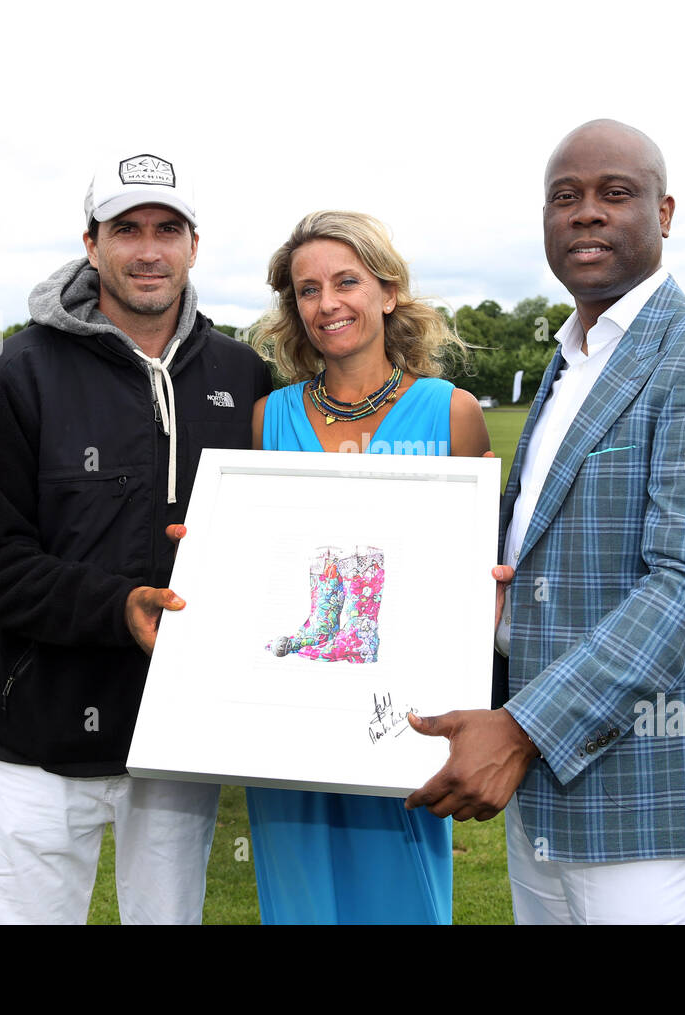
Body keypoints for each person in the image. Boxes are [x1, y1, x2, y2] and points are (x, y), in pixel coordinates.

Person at [406, 119, 685, 924]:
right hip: (546, 773)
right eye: (564, 197)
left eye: (616, 194)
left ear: (666, 212)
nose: (586, 213)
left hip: (641, 776)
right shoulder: (572, 356)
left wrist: (521, 727)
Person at [0, 148, 273, 924]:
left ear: (195, 244)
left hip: (182, 731)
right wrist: (116, 605)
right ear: (91, 245)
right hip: (39, 733)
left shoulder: (245, 373)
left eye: (168, 228)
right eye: (126, 228)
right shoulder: (12, 372)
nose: (149, 249)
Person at [246, 210, 489, 924]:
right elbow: (265, 562)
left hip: (403, 721)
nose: (327, 304)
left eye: (346, 281)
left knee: (402, 905)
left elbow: (473, 574)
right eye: (308, 289)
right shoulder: (269, 418)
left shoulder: (453, 415)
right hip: (290, 721)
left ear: (387, 292)